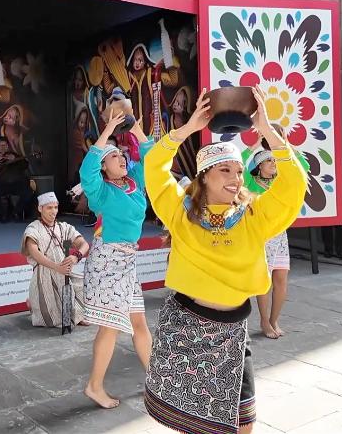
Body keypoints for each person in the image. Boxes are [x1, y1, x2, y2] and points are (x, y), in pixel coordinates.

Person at [143, 87, 305, 434]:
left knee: (243, 424)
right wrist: (187, 129)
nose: (235, 179)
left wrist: (267, 130)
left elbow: (293, 187)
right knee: (192, 425)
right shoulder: (180, 213)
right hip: (185, 328)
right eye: (225, 171)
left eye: (238, 171)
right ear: (204, 176)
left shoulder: (253, 216)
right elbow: (154, 167)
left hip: (233, 333)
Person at [79, 111, 153, 409]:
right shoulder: (99, 191)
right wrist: (108, 129)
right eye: (113, 156)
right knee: (110, 326)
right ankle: (94, 386)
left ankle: (156, 382)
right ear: (103, 166)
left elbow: (152, 158)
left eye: (122, 155)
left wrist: (135, 127)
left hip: (128, 261)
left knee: (139, 323)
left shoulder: (135, 183)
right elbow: (87, 169)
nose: (121, 158)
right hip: (108, 261)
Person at [21, 192, 90, 328]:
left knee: (86, 286)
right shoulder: (33, 229)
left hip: (65, 273)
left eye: (55, 207)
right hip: (44, 275)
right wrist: (56, 267)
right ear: (40, 208)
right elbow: (35, 253)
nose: (53, 211)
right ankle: (34, 303)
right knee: (50, 318)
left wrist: (76, 256)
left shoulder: (64, 227)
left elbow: (84, 244)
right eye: (49, 208)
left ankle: (77, 315)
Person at [248, 148, 292, 340]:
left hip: (280, 236)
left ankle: (274, 320)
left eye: (275, 160)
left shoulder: (280, 182)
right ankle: (264, 321)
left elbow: (303, 167)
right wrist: (251, 147)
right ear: (259, 166)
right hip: (262, 236)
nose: (274, 163)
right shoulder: (250, 182)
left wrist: (286, 146)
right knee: (265, 280)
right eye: (269, 161)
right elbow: (242, 167)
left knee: (281, 279)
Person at [0, 138, 33, 222]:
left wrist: (15, 159)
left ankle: (15, 212)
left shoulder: (14, 155)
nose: (2, 147)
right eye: (0, 145)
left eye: (4, 145)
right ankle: (2, 215)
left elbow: (25, 165)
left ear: (7, 146)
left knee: (28, 192)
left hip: (15, 184)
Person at [320, 162, 342, 257]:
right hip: (326, 200)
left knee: (341, 228)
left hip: (340, 200)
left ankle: (340, 251)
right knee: (326, 227)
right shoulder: (323, 164)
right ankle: (328, 250)